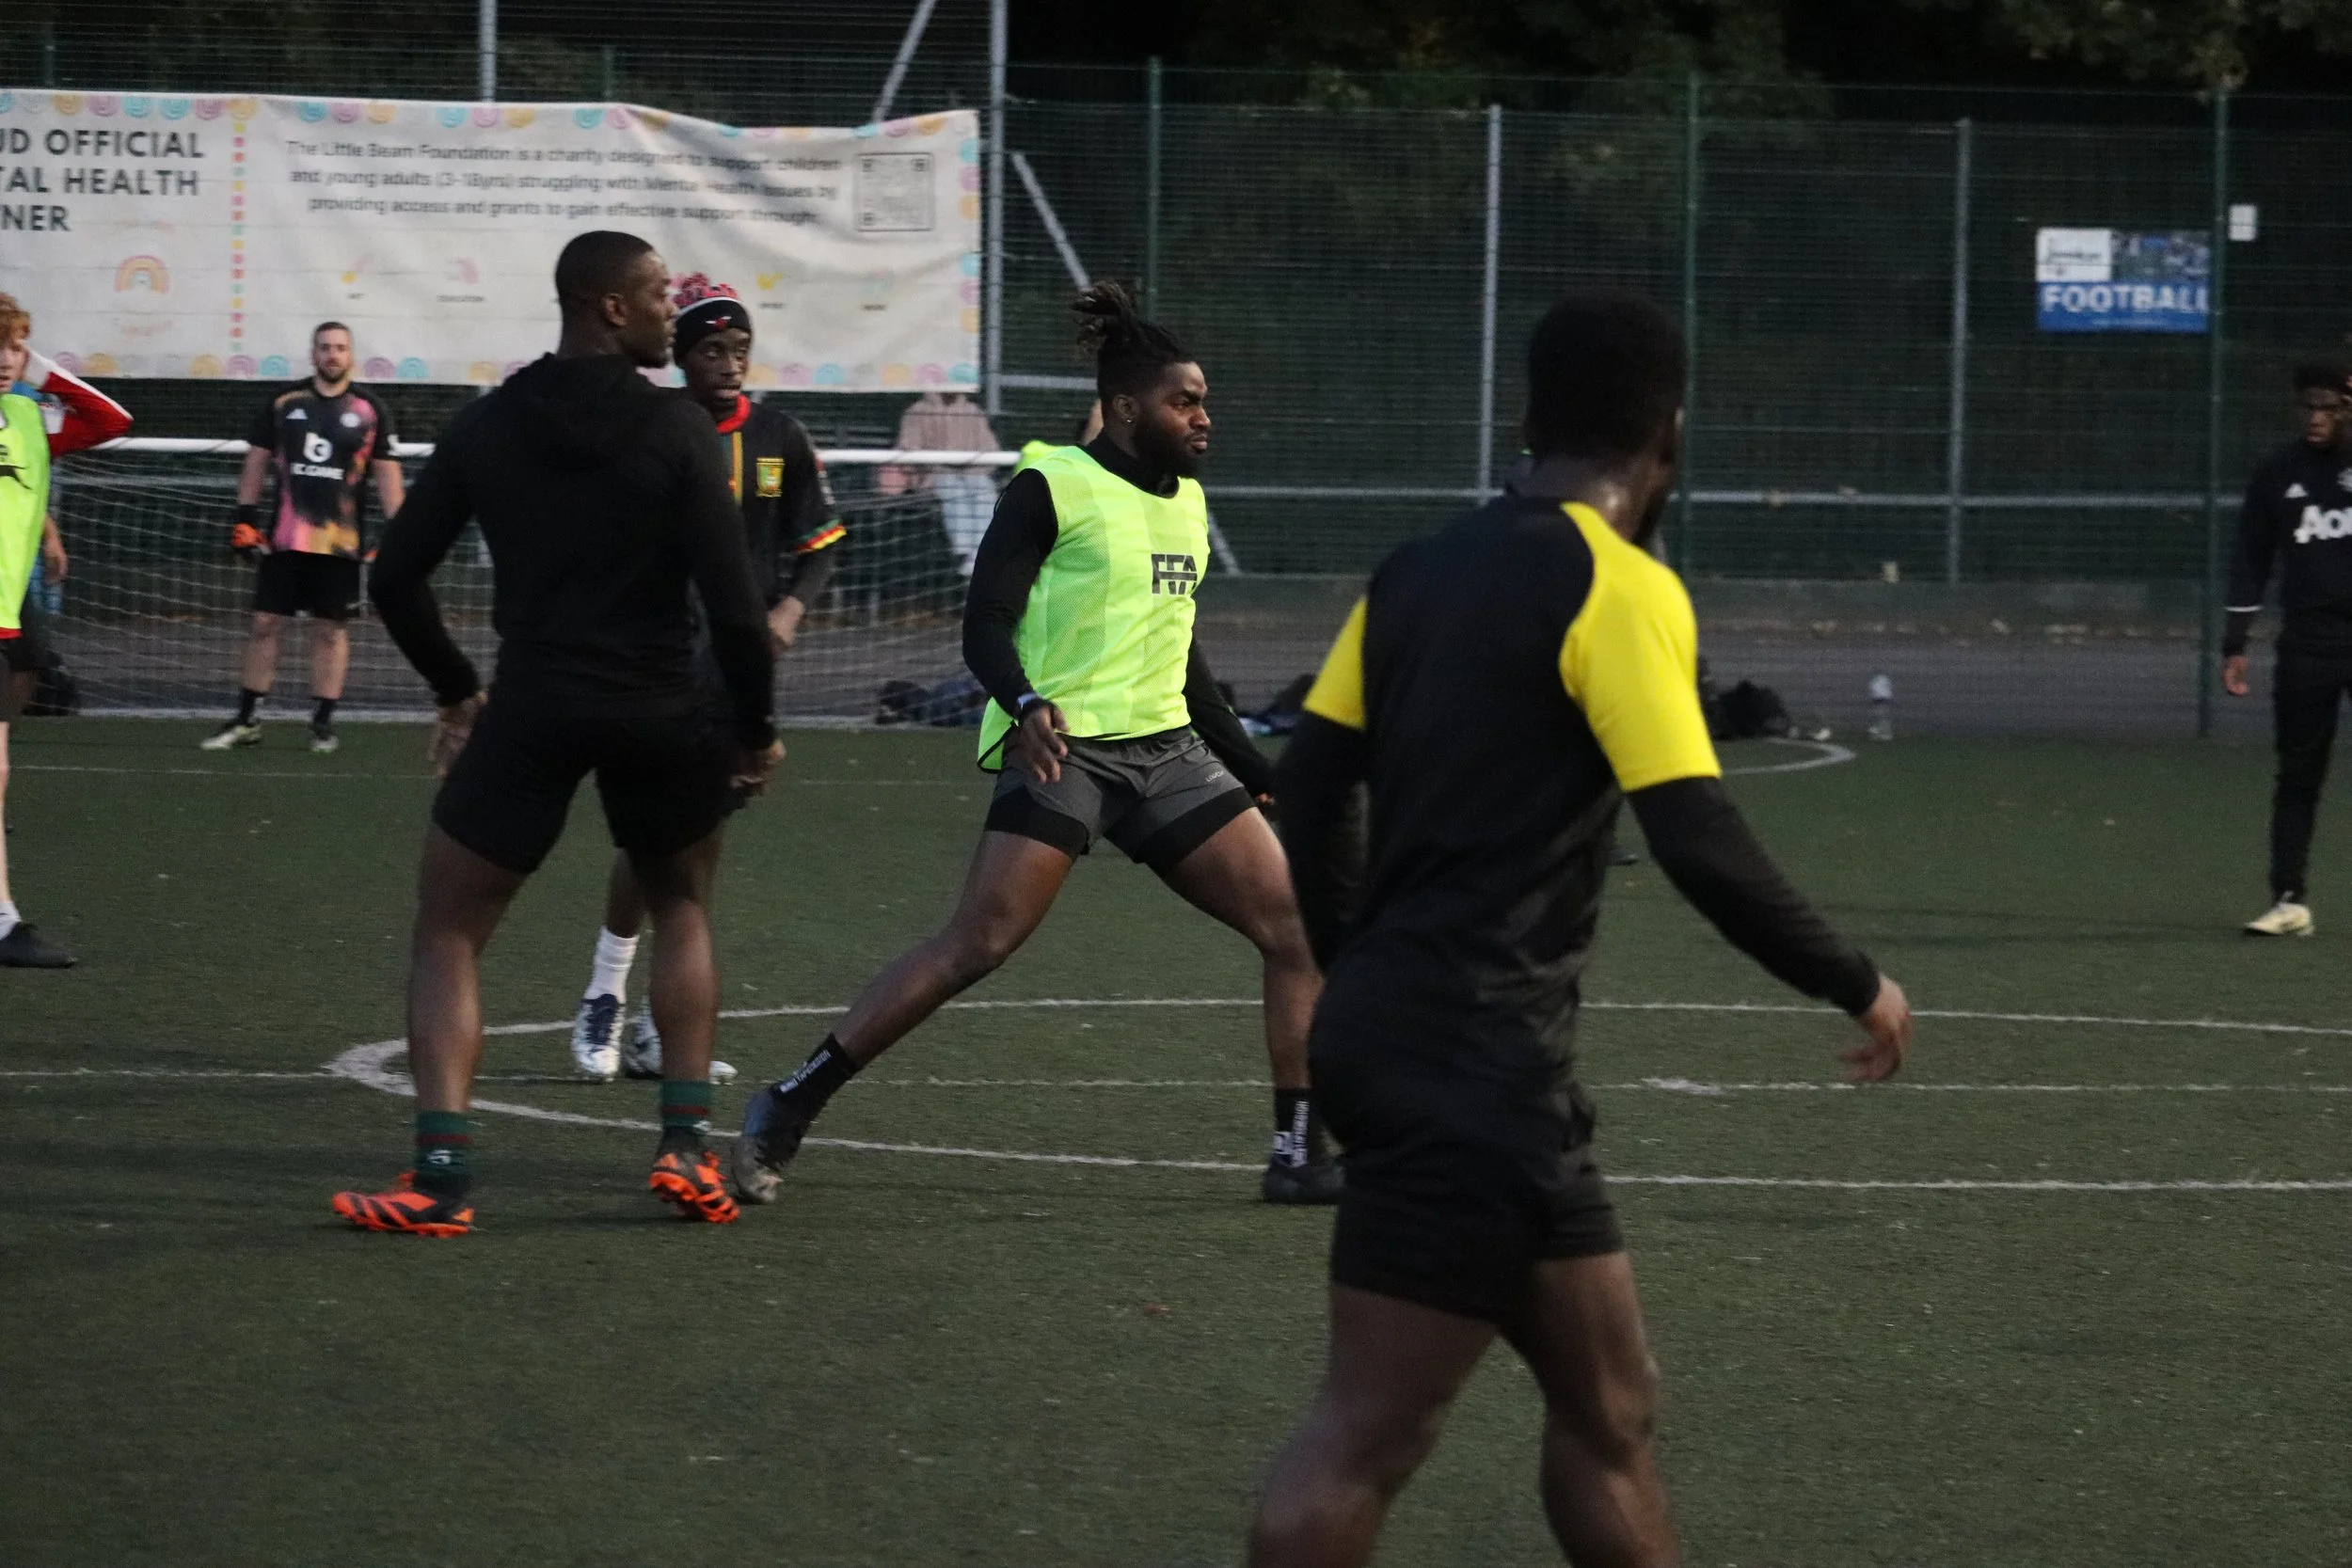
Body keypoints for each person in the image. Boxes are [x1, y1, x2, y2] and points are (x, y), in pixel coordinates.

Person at [1244, 291, 1914, 1568]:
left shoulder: (1416, 570)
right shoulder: (1623, 586)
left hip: (1432, 1049)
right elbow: (1698, 838)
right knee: (1365, 1434)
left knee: (1612, 1405)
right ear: (1670, 433)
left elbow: (1316, 788)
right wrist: (1855, 979)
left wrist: (1360, 951)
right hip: (1474, 1061)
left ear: (1529, 416)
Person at [732, 280, 1341, 1208]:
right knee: (978, 943)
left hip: (1168, 754)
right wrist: (1024, 702)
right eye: (1185, 400)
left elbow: (1184, 661)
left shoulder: (1184, 501)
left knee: (1296, 927)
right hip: (1067, 753)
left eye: (1205, 400)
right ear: (1129, 405)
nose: (1203, 416)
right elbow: (985, 621)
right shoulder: (1050, 481)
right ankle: (790, 1099)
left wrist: (1262, 775)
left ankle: (1297, 1151)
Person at [330, 232, 783, 1236]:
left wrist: (455, 691)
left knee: (449, 931)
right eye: (662, 293)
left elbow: (394, 578)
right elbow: (740, 614)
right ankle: (685, 1152)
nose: (678, 308)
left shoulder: (490, 423)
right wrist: (752, 730)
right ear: (611, 307)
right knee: (682, 906)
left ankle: (440, 1180)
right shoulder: (678, 429)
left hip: (533, 704)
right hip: (663, 705)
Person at [570, 274, 846, 1084]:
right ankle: (604, 993)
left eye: (740, 349)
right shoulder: (649, 430)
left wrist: (791, 610)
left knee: (699, 841)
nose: (730, 363)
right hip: (656, 662)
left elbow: (820, 540)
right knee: (646, 836)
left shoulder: (777, 438)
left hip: (736, 674)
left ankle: (660, 1024)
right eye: (712, 350)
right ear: (681, 358)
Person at [0, 293, 134, 969]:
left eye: (14, 346)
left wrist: (41, 371)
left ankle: (2, 922)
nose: (4, 359)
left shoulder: (26, 414)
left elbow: (110, 419)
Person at [200, 322, 405, 754]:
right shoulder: (283, 403)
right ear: (313, 354)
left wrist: (399, 534)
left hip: (340, 543)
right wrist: (244, 518)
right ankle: (247, 720)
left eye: (340, 348)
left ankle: (322, 725)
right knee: (264, 623)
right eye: (325, 348)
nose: (332, 355)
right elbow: (256, 463)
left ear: (351, 355)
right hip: (284, 539)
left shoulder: (371, 409)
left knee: (329, 632)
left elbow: (387, 477)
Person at [2222, 361, 2352, 937]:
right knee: (2298, 774)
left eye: (2327, 407)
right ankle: (2290, 899)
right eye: (2308, 406)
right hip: (2310, 645)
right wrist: (2236, 642)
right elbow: (2252, 558)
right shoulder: (2278, 472)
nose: (2315, 418)